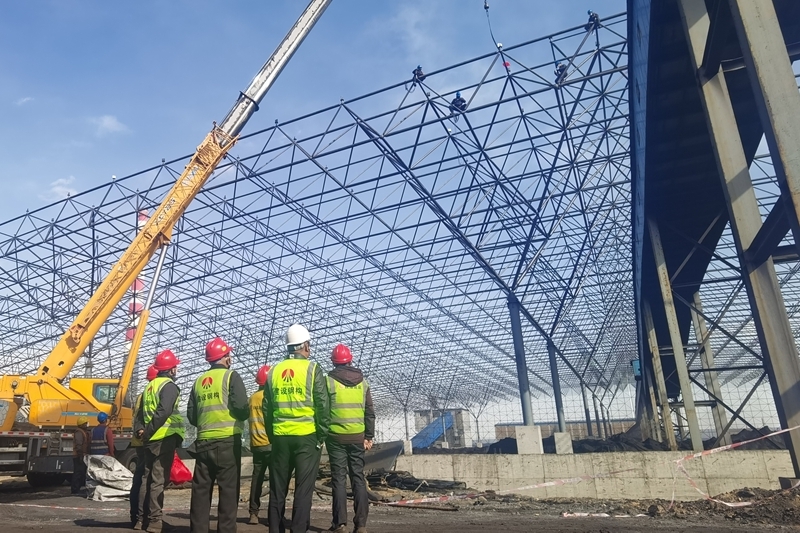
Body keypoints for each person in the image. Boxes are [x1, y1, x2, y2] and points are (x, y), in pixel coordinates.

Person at [263, 324, 330, 533]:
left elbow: (267, 407)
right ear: (306, 346)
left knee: (277, 489)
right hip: (306, 437)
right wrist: (321, 435)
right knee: (303, 489)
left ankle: (275, 529)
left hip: (280, 437)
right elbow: (322, 405)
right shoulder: (312, 369)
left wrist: (273, 435)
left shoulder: (274, 371)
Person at [187, 337, 250, 533]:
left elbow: (191, 415)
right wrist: (242, 416)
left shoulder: (198, 382)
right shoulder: (231, 377)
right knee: (228, 492)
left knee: (200, 491)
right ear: (225, 357)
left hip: (203, 442)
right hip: (227, 443)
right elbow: (241, 407)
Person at [326, 344, 375, 533]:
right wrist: (368, 436)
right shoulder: (363, 382)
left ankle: (339, 524)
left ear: (333, 362)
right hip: (357, 437)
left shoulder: (328, 381)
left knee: (338, 479)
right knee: (358, 478)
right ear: (350, 360)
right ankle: (361, 525)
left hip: (335, 438)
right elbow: (369, 412)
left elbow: (323, 409)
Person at [135, 349, 185, 533]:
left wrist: (141, 431)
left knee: (146, 479)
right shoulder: (169, 386)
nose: (176, 370)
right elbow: (164, 411)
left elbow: (140, 414)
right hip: (163, 439)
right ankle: (155, 521)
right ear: (171, 369)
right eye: (175, 367)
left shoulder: (149, 387)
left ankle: (140, 520)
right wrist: (149, 432)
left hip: (150, 440)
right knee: (158, 481)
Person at [131, 364, 159, 527]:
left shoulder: (142, 394)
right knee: (148, 480)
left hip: (139, 441)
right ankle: (143, 517)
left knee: (140, 479)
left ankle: (136, 517)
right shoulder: (151, 394)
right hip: (146, 441)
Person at [248, 364, 272, 525]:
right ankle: (273, 515)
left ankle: (253, 513)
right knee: (276, 481)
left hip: (256, 444)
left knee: (257, 479)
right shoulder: (271, 398)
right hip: (271, 445)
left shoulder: (251, 398)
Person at [71, 416, 90, 494]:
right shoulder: (79, 433)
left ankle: (78, 488)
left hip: (81, 455)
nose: (87, 424)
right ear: (82, 424)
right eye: (86, 423)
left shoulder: (83, 432)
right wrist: (80, 455)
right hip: (78, 456)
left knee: (81, 472)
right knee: (78, 473)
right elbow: (79, 445)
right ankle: (75, 490)